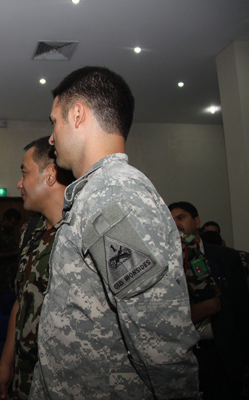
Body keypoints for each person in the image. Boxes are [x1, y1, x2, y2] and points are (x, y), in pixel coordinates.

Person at [29, 66, 199, 399]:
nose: (51, 137)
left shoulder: (112, 194)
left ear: (77, 115)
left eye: (55, 122)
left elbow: (156, 332)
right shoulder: (96, 192)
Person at [0, 137, 74, 400]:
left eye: (24, 173)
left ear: (50, 175)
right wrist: (6, 366)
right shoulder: (32, 232)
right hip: (23, 377)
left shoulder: (79, 236)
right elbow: (21, 301)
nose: (19, 184)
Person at [169, 201, 249, 399]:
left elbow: (242, 307)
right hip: (189, 355)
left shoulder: (228, 258)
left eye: (181, 217)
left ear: (197, 222)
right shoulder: (168, 261)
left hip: (224, 354)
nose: (176, 223)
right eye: (170, 219)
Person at [0, 208, 21, 296]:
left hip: (11, 271)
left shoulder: (10, 232)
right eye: (13, 223)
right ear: (6, 219)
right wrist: (14, 253)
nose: (14, 226)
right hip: (0, 272)